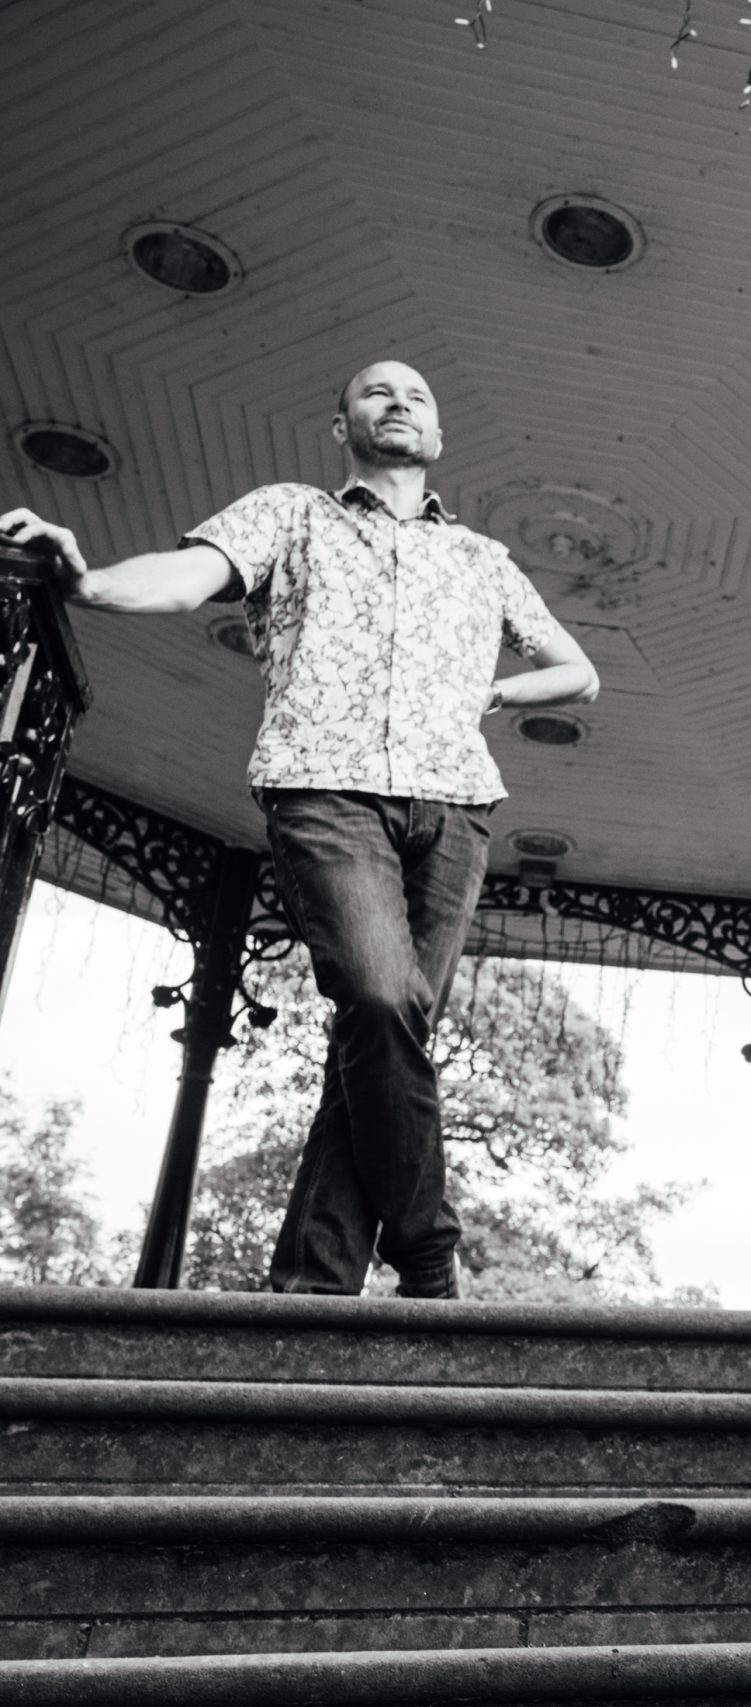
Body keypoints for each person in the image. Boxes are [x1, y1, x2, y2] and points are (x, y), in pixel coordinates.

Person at [0, 360, 599, 1299]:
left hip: (456, 807)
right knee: (378, 995)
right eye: (376, 391)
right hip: (326, 791)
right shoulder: (291, 513)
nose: (398, 402)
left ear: (437, 438)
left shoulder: (483, 558)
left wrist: (495, 689)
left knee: (380, 1039)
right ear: (341, 425)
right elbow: (191, 574)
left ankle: (313, 1287)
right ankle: (429, 1249)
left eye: (418, 396)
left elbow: (578, 670)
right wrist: (92, 584)